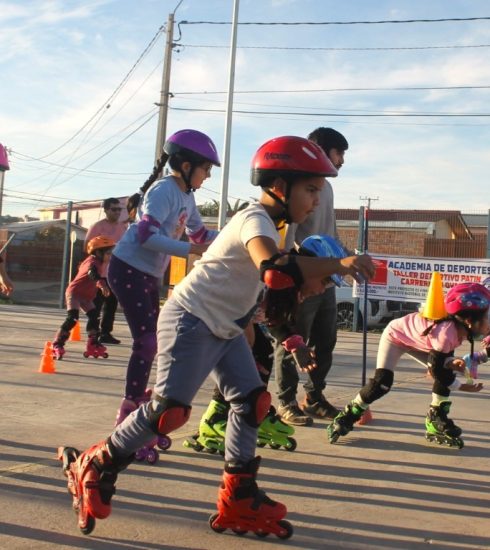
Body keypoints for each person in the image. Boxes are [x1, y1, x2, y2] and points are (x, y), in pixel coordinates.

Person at [57, 135, 375, 538]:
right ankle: (96, 463)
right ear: (280, 186)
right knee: (168, 411)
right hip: (190, 318)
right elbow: (274, 270)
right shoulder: (255, 218)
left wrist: (292, 339)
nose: (316, 199)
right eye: (310, 189)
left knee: (252, 400)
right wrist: (343, 263)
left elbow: (275, 297)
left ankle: (237, 496)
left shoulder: (282, 227)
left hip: (223, 328)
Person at [107, 129, 221, 446]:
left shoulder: (187, 197)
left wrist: (232, 237)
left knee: (153, 340)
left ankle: (139, 402)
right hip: (127, 267)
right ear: (186, 165)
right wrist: (190, 251)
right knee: (146, 342)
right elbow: (145, 236)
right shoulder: (163, 191)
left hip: (147, 274)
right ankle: (128, 414)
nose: (207, 175)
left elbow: (200, 235)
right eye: (206, 168)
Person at [327, 282, 490, 448]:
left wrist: (451, 362)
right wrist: (462, 386)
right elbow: (437, 371)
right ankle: (349, 413)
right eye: (487, 317)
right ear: (469, 321)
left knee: (447, 370)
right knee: (382, 383)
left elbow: (441, 363)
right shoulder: (446, 333)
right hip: (396, 337)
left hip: (419, 342)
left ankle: (436, 417)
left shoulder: (458, 329)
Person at [273, 127, 349, 426]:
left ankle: (314, 397)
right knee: (293, 340)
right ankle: (286, 401)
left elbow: (330, 229)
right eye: (338, 153)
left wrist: (345, 260)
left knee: (325, 341)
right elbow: (288, 234)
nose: (342, 160)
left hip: (327, 277)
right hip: (303, 279)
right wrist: (291, 270)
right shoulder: (299, 184)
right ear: (319, 150)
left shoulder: (324, 186)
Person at [52, 236, 115, 360]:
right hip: (75, 293)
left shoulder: (99, 262)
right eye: (108, 253)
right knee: (72, 318)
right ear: (98, 252)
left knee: (94, 317)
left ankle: (92, 343)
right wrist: (102, 285)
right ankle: (57, 344)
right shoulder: (92, 262)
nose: (110, 256)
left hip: (86, 296)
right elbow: (93, 274)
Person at [84, 198, 128, 345]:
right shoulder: (97, 226)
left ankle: (106, 333)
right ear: (106, 210)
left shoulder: (123, 227)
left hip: (115, 273)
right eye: (113, 209)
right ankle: (93, 333)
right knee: (95, 305)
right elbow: (87, 248)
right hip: (99, 273)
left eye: (119, 209)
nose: (117, 212)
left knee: (111, 305)